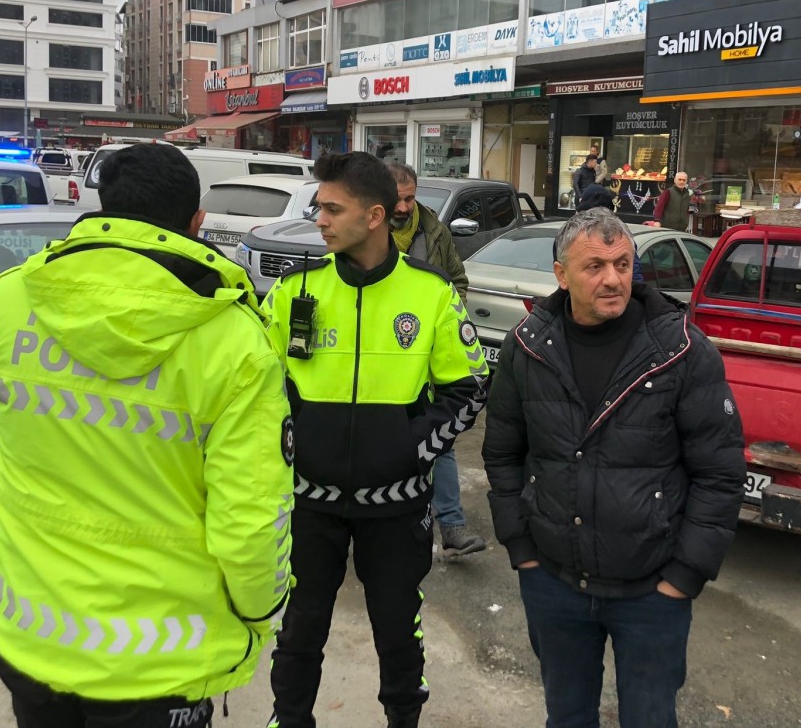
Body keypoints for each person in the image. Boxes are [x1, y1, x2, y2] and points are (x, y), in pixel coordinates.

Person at [0, 143, 293, 728]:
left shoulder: (5, 302)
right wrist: (263, 610)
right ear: (197, 223)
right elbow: (249, 519)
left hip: (31, 634)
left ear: (103, 204)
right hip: (160, 664)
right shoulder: (235, 343)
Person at [482, 207, 746, 728]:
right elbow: (502, 455)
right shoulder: (528, 348)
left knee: (650, 718)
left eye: (623, 265)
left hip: (651, 593)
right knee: (567, 716)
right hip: (554, 582)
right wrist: (522, 550)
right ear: (560, 275)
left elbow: (720, 472)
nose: (612, 279)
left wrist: (685, 574)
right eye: (595, 267)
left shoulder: (681, 351)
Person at [263, 151, 489, 728]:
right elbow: (256, 388)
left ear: (374, 215)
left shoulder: (431, 293)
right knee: (299, 631)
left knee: (398, 633)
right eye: (319, 207)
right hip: (310, 504)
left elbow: (468, 389)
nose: (319, 219)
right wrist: (289, 446)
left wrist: (411, 450)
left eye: (332, 208)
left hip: (396, 509)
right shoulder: (294, 293)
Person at [387, 161, 485, 556]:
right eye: (398, 199)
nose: (405, 206)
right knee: (386, 443)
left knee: (440, 442)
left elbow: (457, 282)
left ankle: (453, 526)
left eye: (410, 198)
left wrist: (443, 317)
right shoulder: (366, 234)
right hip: (383, 362)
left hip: (428, 358)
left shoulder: (435, 232)